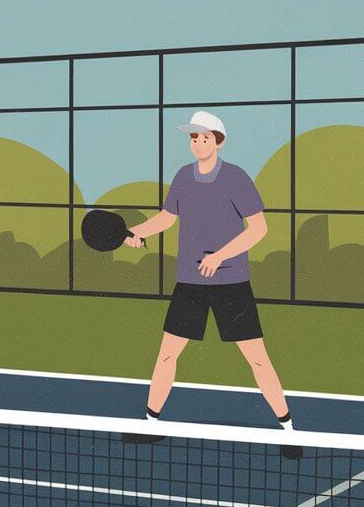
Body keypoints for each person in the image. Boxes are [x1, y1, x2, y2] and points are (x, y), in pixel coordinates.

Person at [126, 111, 298, 455]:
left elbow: (259, 229)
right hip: (190, 283)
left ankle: (290, 432)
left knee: (258, 359)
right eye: (193, 138)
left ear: (218, 141)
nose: (198, 143)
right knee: (166, 355)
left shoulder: (236, 179)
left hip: (231, 283)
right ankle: (149, 423)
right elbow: (166, 218)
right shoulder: (182, 178)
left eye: (205, 137)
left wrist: (220, 256)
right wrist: (135, 232)